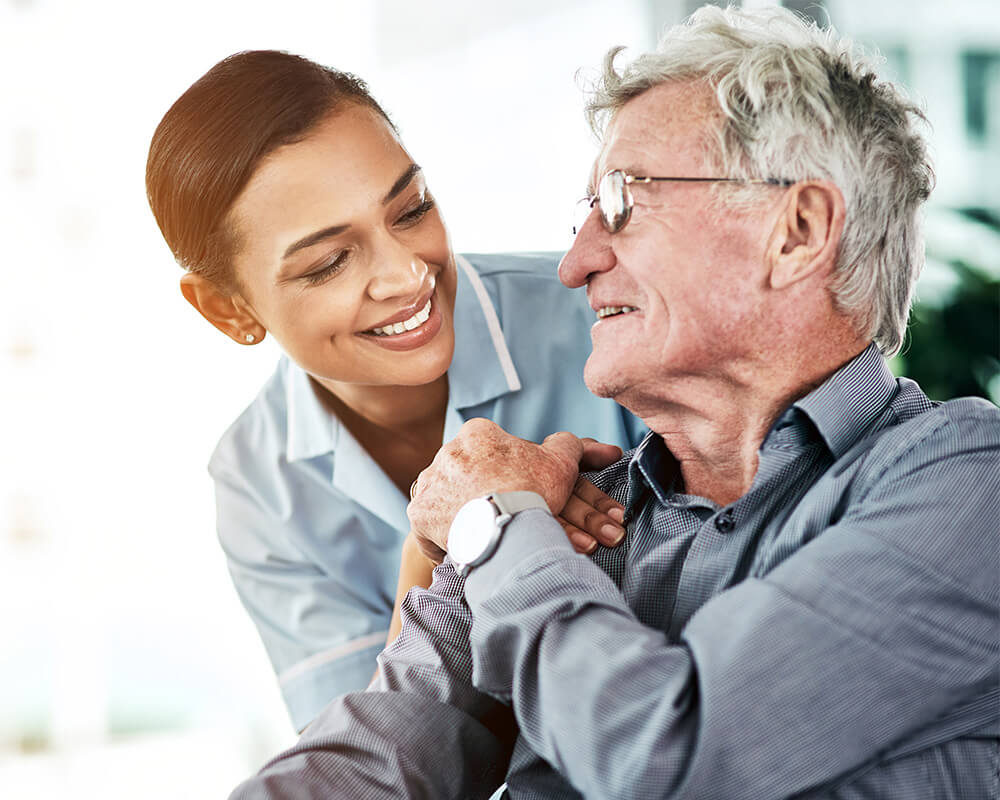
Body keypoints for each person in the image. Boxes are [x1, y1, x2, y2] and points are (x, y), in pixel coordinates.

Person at [230, 6, 999, 799]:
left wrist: (490, 526)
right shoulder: (568, 511)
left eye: (621, 202)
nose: (575, 263)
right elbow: (372, 765)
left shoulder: (970, 485)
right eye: (583, 214)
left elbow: (673, 757)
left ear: (797, 230)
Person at [145, 50, 646, 732]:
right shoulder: (256, 483)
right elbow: (366, 758)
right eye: (329, 262)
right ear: (228, 309)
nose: (407, 274)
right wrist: (439, 539)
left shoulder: (595, 315)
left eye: (410, 210)